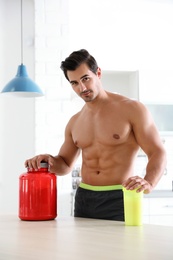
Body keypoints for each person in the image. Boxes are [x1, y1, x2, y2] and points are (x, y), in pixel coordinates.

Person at [25, 49, 167, 221]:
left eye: (85, 79)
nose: (82, 88)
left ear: (98, 73)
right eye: (75, 83)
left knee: (123, 248)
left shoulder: (132, 109)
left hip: (120, 197)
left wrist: (149, 182)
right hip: (84, 198)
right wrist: (49, 160)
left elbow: (157, 151)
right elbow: (65, 164)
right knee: (84, 248)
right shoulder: (75, 121)